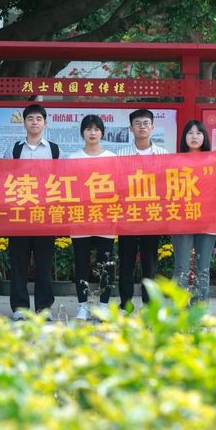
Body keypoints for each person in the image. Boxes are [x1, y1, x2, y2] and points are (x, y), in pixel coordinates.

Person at [3, 104, 60, 320]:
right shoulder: (14, 150)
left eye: (38, 119)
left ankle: (43, 308)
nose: (34, 122)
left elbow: (63, 179)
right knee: (18, 262)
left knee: (44, 263)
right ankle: (19, 307)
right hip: (19, 214)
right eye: (30, 119)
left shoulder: (54, 150)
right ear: (24, 122)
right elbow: (3, 178)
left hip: (45, 214)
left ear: (45, 123)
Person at [116, 108, 170, 310]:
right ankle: (125, 304)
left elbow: (167, 184)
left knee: (150, 262)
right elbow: (117, 184)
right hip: (128, 215)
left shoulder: (163, 154)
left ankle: (149, 304)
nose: (142, 127)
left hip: (152, 215)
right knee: (126, 261)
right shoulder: (121, 154)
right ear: (131, 128)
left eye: (146, 123)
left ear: (152, 127)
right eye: (137, 124)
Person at [68, 114, 116, 321]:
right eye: (88, 129)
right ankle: (83, 307)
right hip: (80, 219)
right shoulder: (73, 158)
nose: (92, 133)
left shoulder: (112, 158)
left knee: (106, 264)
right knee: (81, 264)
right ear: (82, 133)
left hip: (105, 219)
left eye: (96, 129)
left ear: (102, 133)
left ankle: (103, 306)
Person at [171, 120, 216, 303]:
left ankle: (199, 309)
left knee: (202, 268)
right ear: (184, 137)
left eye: (198, 133)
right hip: (182, 220)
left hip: (208, 220)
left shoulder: (214, 161)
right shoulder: (175, 162)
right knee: (181, 267)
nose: (194, 136)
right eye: (190, 133)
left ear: (204, 137)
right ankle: (178, 308)